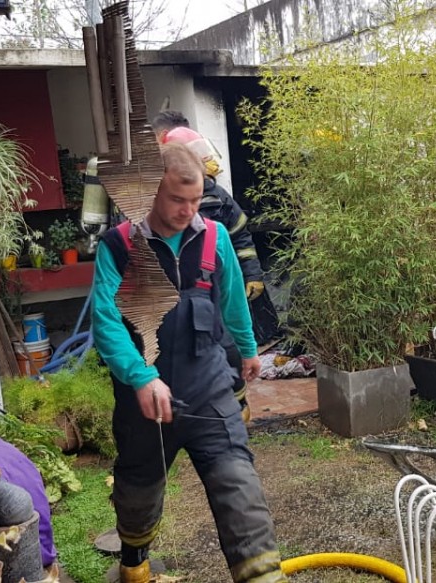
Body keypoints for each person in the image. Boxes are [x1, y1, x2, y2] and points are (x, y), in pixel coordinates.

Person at [91, 142, 287, 583]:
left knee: (240, 490)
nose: (187, 210)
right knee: (138, 495)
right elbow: (104, 320)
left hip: (209, 389)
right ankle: (134, 561)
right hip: (146, 401)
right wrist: (141, 378)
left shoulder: (214, 238)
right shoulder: (120, 246)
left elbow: (233, 299)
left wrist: (249, 348)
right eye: (177, 200)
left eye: (196, 200)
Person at [155, 110, 281, 422]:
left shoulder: (218, 199)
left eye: (195, 199)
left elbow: (241, 236)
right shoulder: (139, 224)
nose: (188, 210)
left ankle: (234, 413)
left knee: (227, 350)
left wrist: (251, 274)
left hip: (214, 293)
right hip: (171, 307)